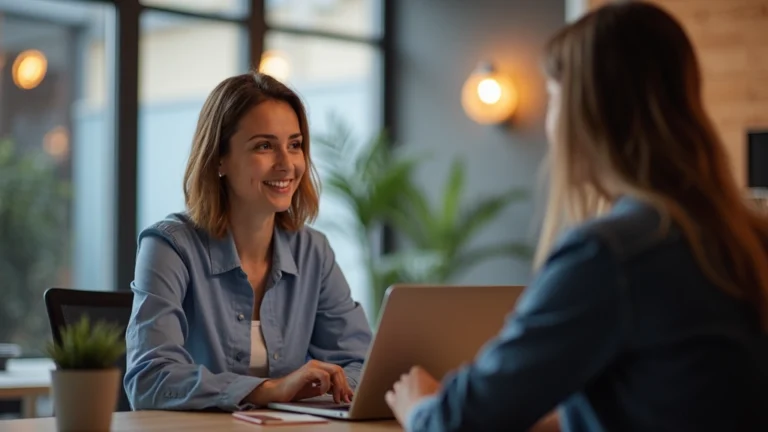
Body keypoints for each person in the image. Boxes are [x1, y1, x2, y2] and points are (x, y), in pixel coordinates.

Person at [385, 2, 768, 431]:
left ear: (588, 113)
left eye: (552, 97)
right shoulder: (747, 238)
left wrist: (420, 403)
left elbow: (459, 422)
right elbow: (667, 399)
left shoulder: (609, 254)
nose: (550, 121)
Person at [124, 72, 372, 411]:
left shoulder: (314, 252)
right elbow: (149, 380)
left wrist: (334, 387)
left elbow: (361, 364)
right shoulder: (169, 247)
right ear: (219, 159)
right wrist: (269, 390)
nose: (287, 164)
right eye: (265, 146)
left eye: (295, 145)